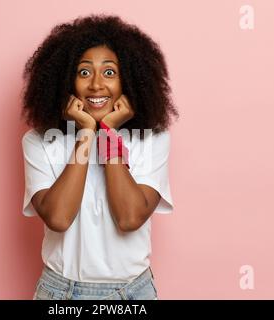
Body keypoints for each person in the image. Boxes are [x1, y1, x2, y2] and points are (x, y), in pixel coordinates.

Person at [20, 14, 179, 300]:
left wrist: (107, 131)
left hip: (132, 294)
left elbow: (129, 217)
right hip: (60, 294)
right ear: (65, 80)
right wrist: (86, 133)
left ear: (129, 80)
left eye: (109, 72)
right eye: (83, 72)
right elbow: (58, 217)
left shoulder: (153, 140)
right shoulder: (39, 141)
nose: (96, 85)